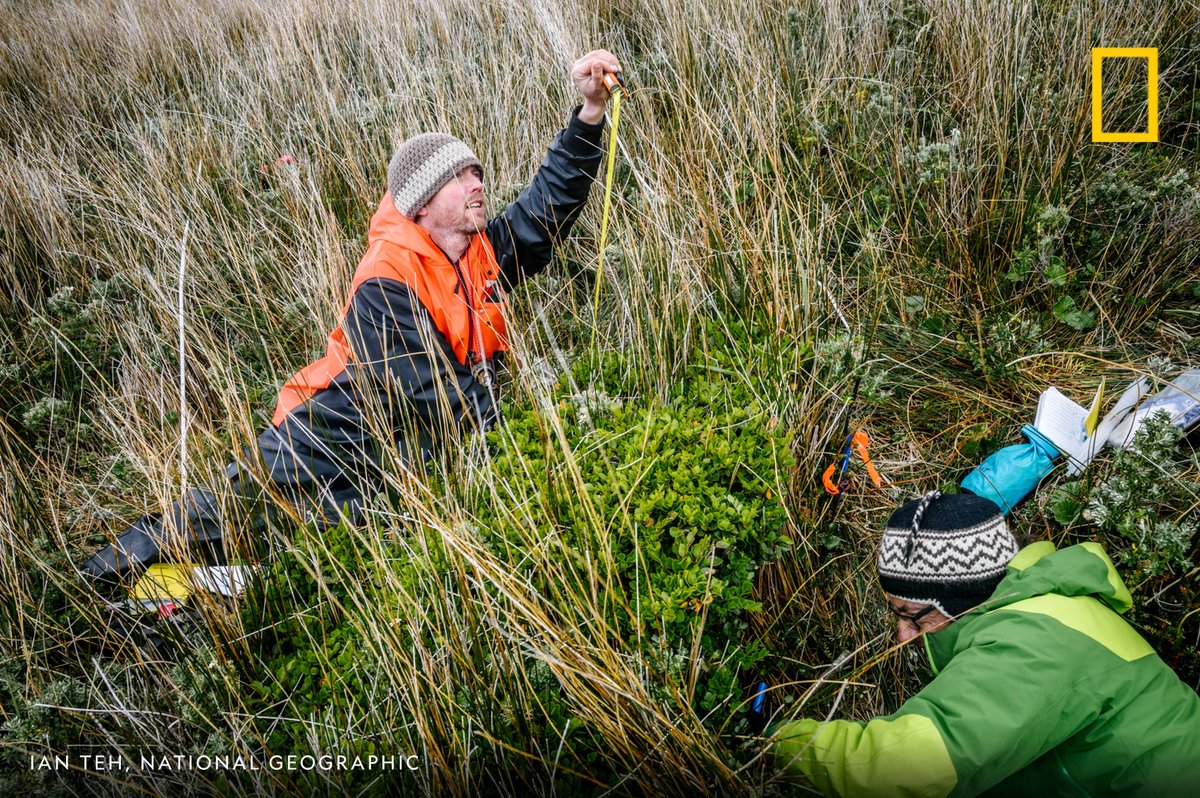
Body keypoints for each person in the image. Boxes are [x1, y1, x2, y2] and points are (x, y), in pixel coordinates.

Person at [82, 50, 623, 585]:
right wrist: (535, 447)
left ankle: (202, 591)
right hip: (326, 429)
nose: (477, 183)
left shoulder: (478, 251)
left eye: (476, 172)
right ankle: (97, 581)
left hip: (398, 444)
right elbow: (440, 394)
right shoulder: (385, 279)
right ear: (421, 205)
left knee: (316, 547)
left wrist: (590, 112)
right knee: (220, 515)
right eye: (458, 178)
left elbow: (547, 206)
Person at [770, 490, 1200, 797]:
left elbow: (904, 769)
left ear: (961, 598)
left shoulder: (1029, 645)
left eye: (912, 615)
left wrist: (774, 745)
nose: (903, 636)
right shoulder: (1046, 604)